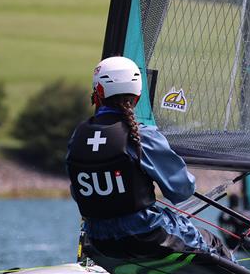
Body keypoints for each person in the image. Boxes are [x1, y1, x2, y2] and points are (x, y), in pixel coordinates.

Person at [66, 56, 232, 262]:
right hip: (147, 238)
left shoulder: (78, 136)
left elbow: (77, 192)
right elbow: (182, 191)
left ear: (98, 93)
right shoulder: (143, 136)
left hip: (99, 242)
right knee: (212, 243)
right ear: (137, 96)